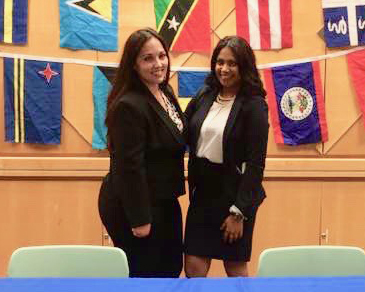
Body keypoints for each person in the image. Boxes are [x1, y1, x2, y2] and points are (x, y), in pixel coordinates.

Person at [98, 28, 186, 278]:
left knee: (170, 269)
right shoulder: (129, 105)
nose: (158, 64)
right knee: (146, 273)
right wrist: (139, 219)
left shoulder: (164, 92)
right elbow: (129, 167)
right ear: (133, 65)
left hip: (164, 198)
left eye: (162, 56)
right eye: (148, 58)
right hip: (134, 204)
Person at [184, 36, 269, 277]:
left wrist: (238, 212)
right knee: (193, 264)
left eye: (232, 63)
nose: (224, 69)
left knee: (234, 265)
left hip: (234, 195)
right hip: (203, 193)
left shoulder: (254, 106)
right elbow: (182, 129)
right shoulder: (205, 94)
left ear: (244, 66)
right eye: (219, 62)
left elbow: (255, 164)